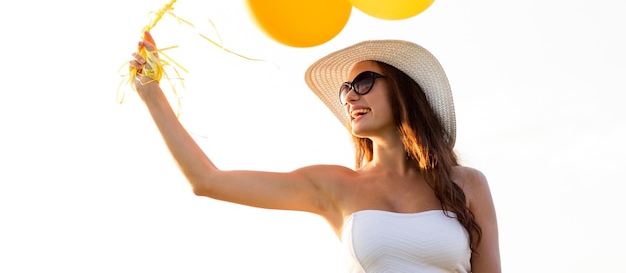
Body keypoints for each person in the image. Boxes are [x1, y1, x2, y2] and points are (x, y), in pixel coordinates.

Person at [130, 32, 501, 272]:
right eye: (346, 90)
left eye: (364, 82)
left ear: (403, 91)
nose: (351, 95)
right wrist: (151, 93)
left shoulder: (466, 185)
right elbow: (207, 180)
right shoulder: (333, 185)